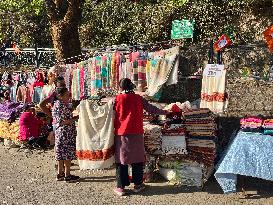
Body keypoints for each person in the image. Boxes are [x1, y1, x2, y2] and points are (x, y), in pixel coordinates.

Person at [113, 78, 169, 196]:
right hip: (137, 133)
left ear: (121, 87)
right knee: (137, 160)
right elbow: (151, 109)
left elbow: (107, 113)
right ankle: (138, 185)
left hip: (122, 133)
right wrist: (166, 112)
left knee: (121, 161)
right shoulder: (138, 98)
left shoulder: (117, 99)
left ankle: (121, 187)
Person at [52, 87, 79, 182]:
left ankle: (60, 174)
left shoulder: (57, 104)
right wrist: (76, 118)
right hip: (65, 132)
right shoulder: (61, 105)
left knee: (61, 153)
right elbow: (63, 121)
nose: (68, 96)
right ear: (60, 95)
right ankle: (67, 175)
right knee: (67, 154)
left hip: (60, 132)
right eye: (67, 94)